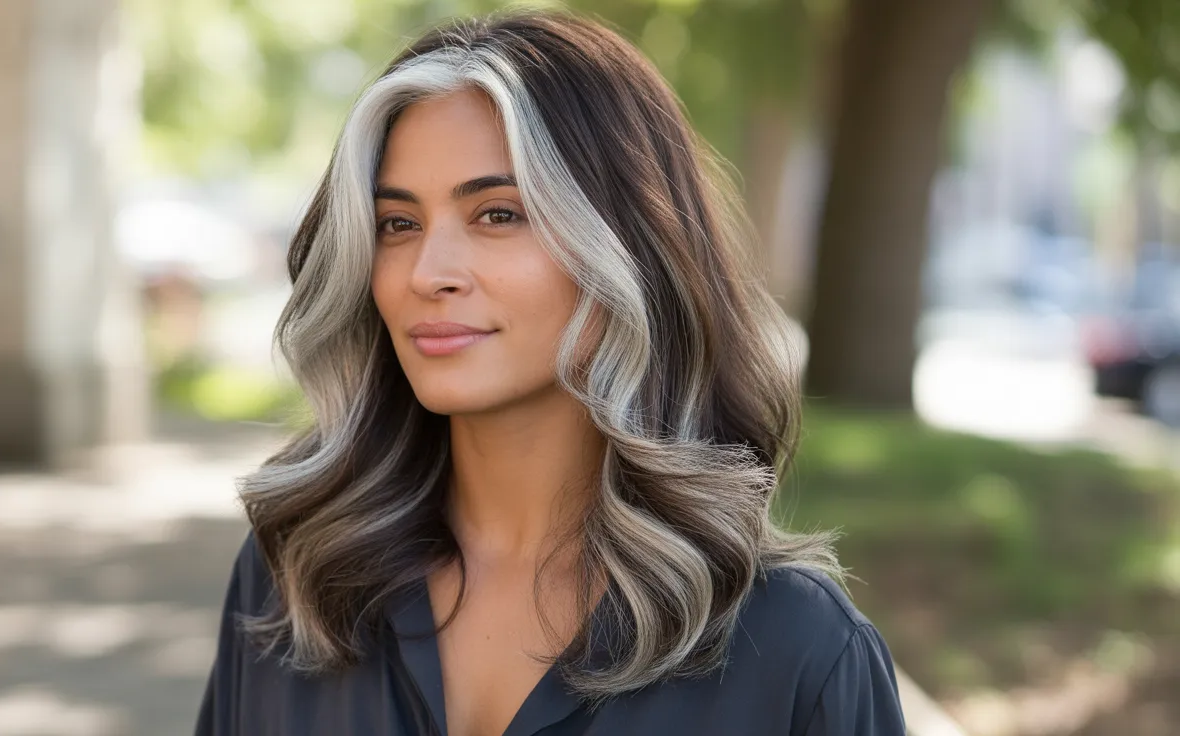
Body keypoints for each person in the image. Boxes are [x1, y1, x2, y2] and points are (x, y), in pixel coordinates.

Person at [195, 9, 906, 736]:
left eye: (498, 214)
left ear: (627, 247)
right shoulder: (297, 576)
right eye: (397, 225)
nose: (428, 273)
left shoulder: (796, 652)